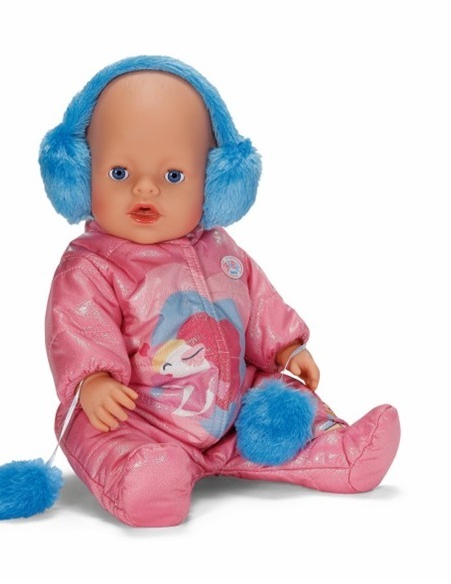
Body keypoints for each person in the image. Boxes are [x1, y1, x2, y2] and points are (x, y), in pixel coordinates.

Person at [39, 56, 400, 527]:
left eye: (173, 176)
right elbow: (75, 324)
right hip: (139, 418)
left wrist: (287, 348)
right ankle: (143, 478)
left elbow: (258, 301)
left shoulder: (222, 249)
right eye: (119, 173)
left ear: (215, 183)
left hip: (232, 412)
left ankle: (340, 452)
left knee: (282, 398)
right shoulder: (91, 265)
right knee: (92, 429)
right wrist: (93, 380)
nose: (145, 189)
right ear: (80, 176)